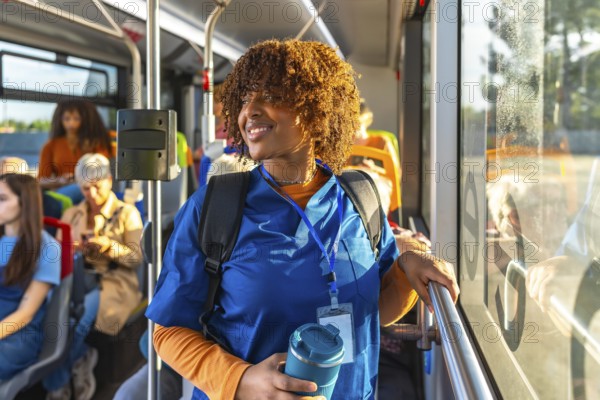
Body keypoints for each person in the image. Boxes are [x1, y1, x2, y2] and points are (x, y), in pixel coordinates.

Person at [147, 39, 459, 400]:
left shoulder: (360, 198)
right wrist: (242, 381)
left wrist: (407, 268)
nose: (251, 112)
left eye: (271, 96)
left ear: (316, 110)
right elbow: (167, 331)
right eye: (245, 100)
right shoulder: (215, 207)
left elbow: (374, 311)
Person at [43, 153, 143, 400]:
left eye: (96, 186)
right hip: (74, 280)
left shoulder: (127, 213)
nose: (91, 193)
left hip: (112, 282)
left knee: (77, 323)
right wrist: (72, 248)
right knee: (50, 321)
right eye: (85, 188)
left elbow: (136, 258)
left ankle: (57, 384)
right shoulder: (72, 215)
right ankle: (79, 360)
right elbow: (55, 255)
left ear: (109, 180)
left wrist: (108, 246)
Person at [0, 173, 61, 381]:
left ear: (24, 203)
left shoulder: (47, 248)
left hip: (18, 334)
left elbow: (26, 313)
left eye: (2, 199)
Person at [38, 100, 113, 203]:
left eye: (76, 119)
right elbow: (41, 180)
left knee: (84, 189)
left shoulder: (97, 143)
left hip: (92, 188)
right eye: (67, 119)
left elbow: (103, 170)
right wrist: (59, 181)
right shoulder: (50, 146)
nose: (71, 123)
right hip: (63, 192)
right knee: (77, 190)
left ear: (86, 120)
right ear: (60, 120)